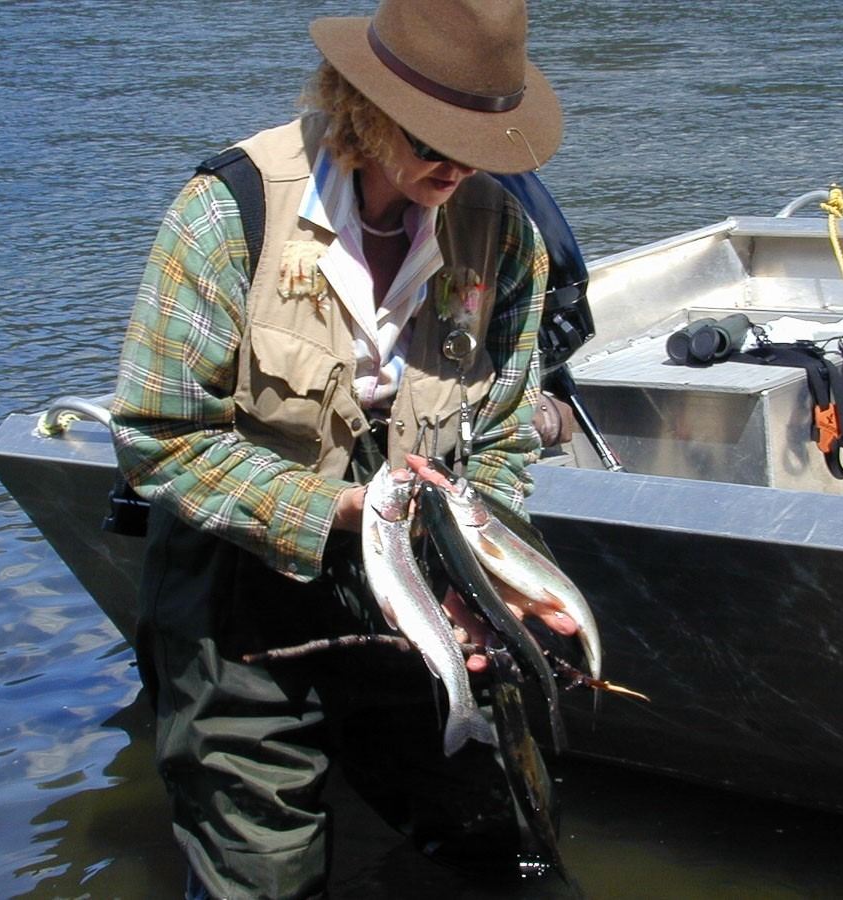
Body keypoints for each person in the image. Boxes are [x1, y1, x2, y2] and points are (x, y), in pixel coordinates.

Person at [110, 1, 577, 896]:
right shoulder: (227, 212)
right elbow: (160, 436)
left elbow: (504, 433)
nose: (458, 167)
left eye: (479, 145)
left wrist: (478, 572)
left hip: (417, 566)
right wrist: (342, 510)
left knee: (499, 840)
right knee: (261, 866)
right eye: (434, 140)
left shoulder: (507, 236)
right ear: (361, 105)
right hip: (236, 582)